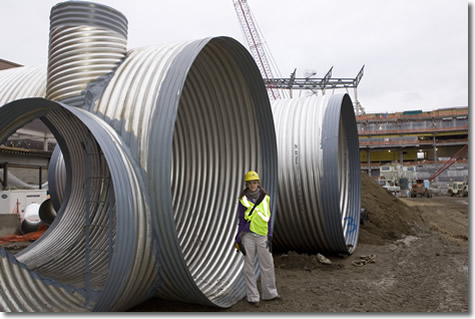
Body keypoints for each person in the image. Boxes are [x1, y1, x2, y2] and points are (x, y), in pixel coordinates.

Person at [235, 170, 280, 306]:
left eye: (255, 182)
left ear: (258, 183)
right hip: (247, 235)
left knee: (268, 264)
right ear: (247, 184)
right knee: (248, 266)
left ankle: (270, 293)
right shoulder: (242, 199)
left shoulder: (266, 198)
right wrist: (238, 239)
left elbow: (269, 218)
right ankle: (253, 297)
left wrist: (270, 236)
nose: (253, 185)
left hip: (262, 235)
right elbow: (241, 220)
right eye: (250, 183)